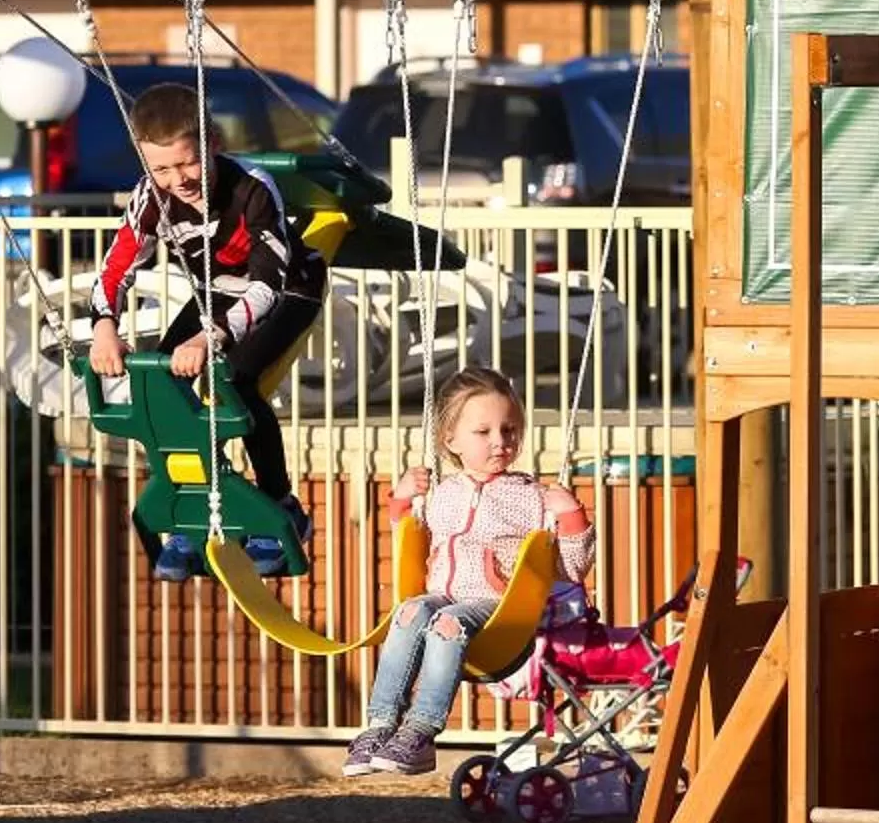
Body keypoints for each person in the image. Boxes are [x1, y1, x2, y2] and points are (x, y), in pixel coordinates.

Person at [84, 83, 325, 513]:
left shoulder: (253, 187)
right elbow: (115, 267)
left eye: (188, 162)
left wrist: (208, 339)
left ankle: (279, 499)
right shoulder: (150, 196)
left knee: (231, 378)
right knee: (159, 383)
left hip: (288, 289)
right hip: (215, 291)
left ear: (212, 144)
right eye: (161, 169)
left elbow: (266, 285)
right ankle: (196, 493)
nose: (178, 180)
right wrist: (104, 327)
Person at [343, 367, 595, 779]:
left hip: (500, 616)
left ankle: (422, 731)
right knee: (409, 611)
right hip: (444, 597)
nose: (500, 441)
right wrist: (403, 498)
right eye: (484, 432)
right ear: (451, 440)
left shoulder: (532, 496)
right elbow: (408, 537)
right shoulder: (442, 493)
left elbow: (570, 570)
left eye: (509, 429)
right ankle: (380, 724)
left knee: (446, 621)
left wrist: (571, 517)